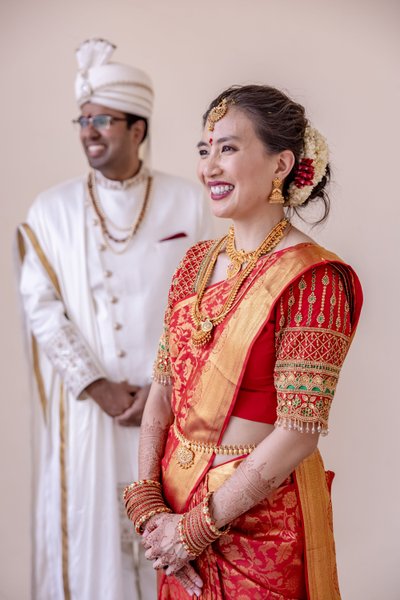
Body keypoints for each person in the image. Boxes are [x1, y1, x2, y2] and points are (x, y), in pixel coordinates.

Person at [124, 85, 363, 599]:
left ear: (281, 164)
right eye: (204, 150)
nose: (210, 166)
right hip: (173, 516)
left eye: (228, 148)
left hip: (257, 528)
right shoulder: (194, 263)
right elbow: (160, 394)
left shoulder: (314, 279)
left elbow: (298, 431)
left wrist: (196, 528)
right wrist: (147, 504)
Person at [17, 38, 213, 600]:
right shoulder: (49, 212)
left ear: (138, 129)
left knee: (176, 540)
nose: (89, 131)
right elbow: (42, 309)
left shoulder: (190, 202)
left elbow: (213, 300)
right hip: (89, 415)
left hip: (174, 408)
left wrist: (164, 388)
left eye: (102, 119)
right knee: (91, 543)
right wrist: (96, 384)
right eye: (82, 120)